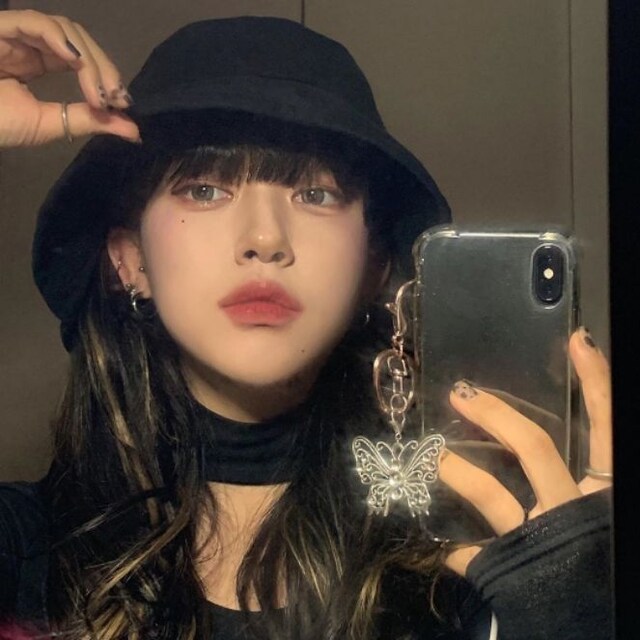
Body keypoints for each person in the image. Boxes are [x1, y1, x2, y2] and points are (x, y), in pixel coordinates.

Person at [0, 10, 613, 640]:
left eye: (316, 194)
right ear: (130, 260)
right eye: (204, 189)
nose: (265, 239)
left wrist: (583, 610)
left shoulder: (477, 566)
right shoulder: (21, 553)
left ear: (374, 267)